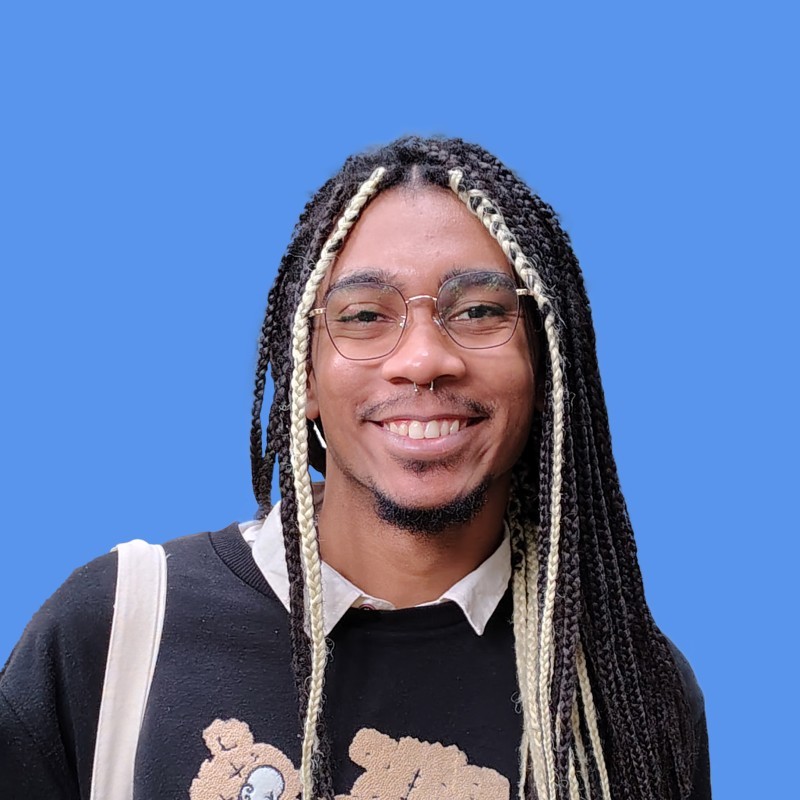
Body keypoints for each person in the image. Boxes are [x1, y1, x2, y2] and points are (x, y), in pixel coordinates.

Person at [0, 136, 711, 799]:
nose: (424, 359)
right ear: (304, 375)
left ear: (544, 365)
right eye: (365, 316)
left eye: (478, 311)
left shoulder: (627, 689)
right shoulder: (118, 626)